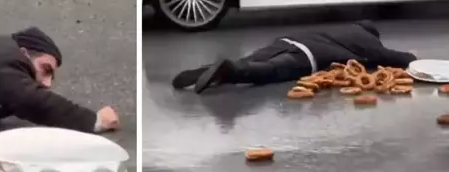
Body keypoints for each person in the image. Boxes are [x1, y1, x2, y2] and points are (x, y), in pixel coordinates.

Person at [172, 20, 417, 94]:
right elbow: (397, 57)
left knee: (255, 59)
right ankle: (231, 72)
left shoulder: (337, 28)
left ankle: (212, 69)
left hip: (285, 42)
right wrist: (413, 58)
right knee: (270, 71)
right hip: (308, 57)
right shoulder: (366, 40)